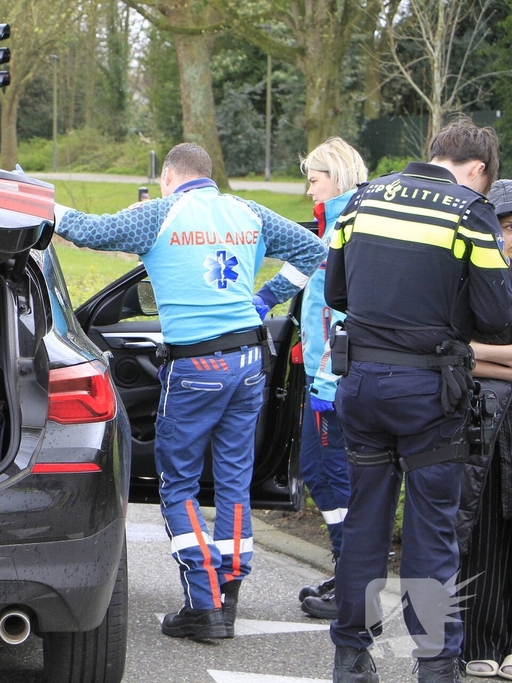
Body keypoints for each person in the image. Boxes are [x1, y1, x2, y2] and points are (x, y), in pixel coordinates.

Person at [54, 142, 326, 640]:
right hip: (248, 360)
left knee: (178, 485)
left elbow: (89, 231)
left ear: (169, 176)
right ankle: (228, 596)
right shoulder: (249, 212)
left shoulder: (161, 214)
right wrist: (265, 297)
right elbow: (314, 250)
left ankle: (202, 605)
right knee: (234, 482)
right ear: (209, 174)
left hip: (195, 365)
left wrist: (45, 204)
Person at [323, 115, 512, 683]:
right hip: (430, 394)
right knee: (432, 535)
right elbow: (500, 319)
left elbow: (336, 290)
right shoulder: (468, 212)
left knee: (365, 523)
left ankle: (352, 655)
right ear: (477, 168)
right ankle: (434, 665)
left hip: (359, 386)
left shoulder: (361, 201)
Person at [292, 138, 368, 621]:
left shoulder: (343, 227)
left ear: (336, 177)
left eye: (313, 178)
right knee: (326, 474)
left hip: (332, 381)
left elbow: (341, 313)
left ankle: (353, 586)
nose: (307, 188)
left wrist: (323, 381)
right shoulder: (335, 224)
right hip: (328, 376)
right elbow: (302, 275)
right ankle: (349, 575)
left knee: (330, 477)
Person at [459, 179, 512, 679]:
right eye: (504, 227)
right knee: (482, 530)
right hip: (483, 420)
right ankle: (478, 641)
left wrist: (482, 356)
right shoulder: (471, 277)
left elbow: (473, 353)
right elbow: (457, 352)